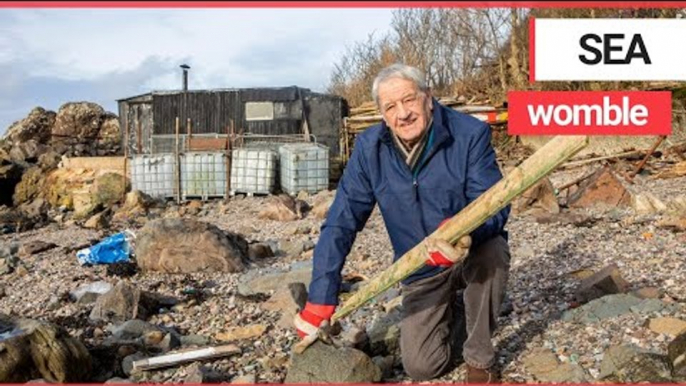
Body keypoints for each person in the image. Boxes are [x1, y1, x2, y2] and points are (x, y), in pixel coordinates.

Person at [293, 63, 511, 383]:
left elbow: (495, 205)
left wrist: (463, 235)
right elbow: (341, 222)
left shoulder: (469, 134)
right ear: (382, 114)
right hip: (419, 267)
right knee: (422, 366)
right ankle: (463, 311)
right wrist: (321, 295)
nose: (403, 114)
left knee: (494, 251)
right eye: (391, 107)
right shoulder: (370, 149)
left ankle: (480, 357)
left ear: (428, 98)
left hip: (468, 251)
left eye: (409, 100)